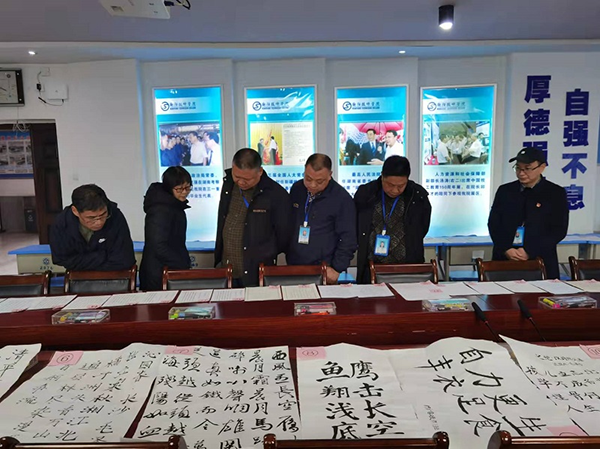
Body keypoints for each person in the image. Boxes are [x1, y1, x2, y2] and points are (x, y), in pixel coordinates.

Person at [215, 148, 293, 287]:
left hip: (256, 271)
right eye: (237, 176)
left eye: (247, 179)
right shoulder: (228, 185)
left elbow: (283, 235)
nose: (241, 182)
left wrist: (265, 252)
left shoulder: (275, 194)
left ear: (260, 172)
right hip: (227, 267)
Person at [488, 147, 569, 279]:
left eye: (527, 168)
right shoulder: (505, 191)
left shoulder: (555, 193)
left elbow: (558, 230)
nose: (521, 173)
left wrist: (529, 251)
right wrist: (506, 248)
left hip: (541, 260)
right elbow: (494, 224)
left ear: (542, 167)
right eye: (518, 168)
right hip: (505, 258)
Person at [354, 156, 432, 284]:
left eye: (401, 186)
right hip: (371, 267)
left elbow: (423, 227)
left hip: (408, 267)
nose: (395, 190)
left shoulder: (418, 196)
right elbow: (357, 224)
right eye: (390, 185)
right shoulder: (366, 194)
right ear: (382, 177)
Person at [287, 154, 357, 284]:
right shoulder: (297, 189)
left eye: (319, 181)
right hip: (294, 264)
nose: (312, 185)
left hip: (325, 268)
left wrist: (337, 268)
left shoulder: (341, 198)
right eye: (308, 179)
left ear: (330, 175)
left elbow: (348, 238)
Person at [50, 184, 135, 271]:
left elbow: (125, 260)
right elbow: (61, 259)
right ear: (75, 211)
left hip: (114, 275)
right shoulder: (62, 223)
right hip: (78, 276)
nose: (99, 222)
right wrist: (101, 256)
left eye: (103, 214)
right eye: (91, 218)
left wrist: (83, 261)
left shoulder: (115, 215)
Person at [139, 167, 192, 291]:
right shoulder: (160, 210)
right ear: (169, 188)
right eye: (179, 189)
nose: (184, 192)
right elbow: (158, 246)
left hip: (168, 269)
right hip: (158, 273)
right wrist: (182, 264)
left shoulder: (174, 205)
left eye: (188, 187)